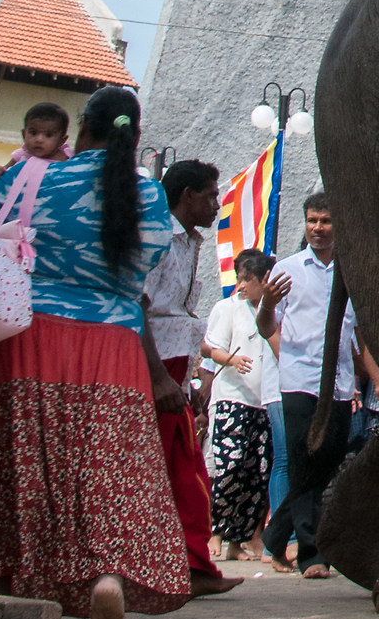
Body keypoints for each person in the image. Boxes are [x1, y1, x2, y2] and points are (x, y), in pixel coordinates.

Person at [0, 85, 189, 619]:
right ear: (135, 136)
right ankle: (107, 579)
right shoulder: (149, 197)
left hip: (29, 336)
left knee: (28, 459)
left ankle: (15, 577)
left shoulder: (33, 177)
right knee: (109, 468)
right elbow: (151, 264)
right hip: (115, 343)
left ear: (80, 130)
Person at [257, 191, 366, 578]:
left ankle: (274, 534)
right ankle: (310, 553)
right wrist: (268, 305)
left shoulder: (352, 270)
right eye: (312, 221)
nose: (318, 228)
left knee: (329, 458)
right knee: (304, 459)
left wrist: (377, 380)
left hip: (339, 383)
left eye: (326, 221)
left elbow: (358, 337)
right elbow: (266, 326)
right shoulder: (287, 269)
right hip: (300, 381)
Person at [144, 159, 232, 594]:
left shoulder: (190, 243)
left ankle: (190, 566)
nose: (216, 204)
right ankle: (179, 568)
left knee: (188, 470)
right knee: (173, 472)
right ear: (188, 196)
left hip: (173, 369)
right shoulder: (159, 237)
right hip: (152, 366)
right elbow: (138, 308)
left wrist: (186, 383)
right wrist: (160, 378)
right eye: (212, 195)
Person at [200, 250, 276, 559]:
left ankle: (240, 540)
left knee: (255, 474)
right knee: (229, 468)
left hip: (263, 402)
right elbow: (210, 348)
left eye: (247, 280)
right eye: (239, 279)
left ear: (264, 281)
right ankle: (215, 532)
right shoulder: (228, 308)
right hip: (233, 400)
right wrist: (232, 360)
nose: (241, 286)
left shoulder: (273, 311)